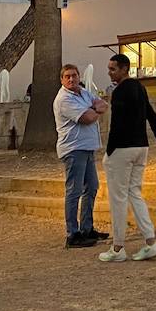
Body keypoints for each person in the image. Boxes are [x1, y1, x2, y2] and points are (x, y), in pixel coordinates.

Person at [99, 54, 156, 263]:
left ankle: (118, 248)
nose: (109, 72)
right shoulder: (140, 88)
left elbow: (117, 124)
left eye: (113, 69)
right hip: (141, 147)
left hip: (122, 149)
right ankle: (151, 242)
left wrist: (109, 151)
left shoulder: (120, 92)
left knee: (118, 199)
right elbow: (151, 114)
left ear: (124, 69)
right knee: (134, 193)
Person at [54, 64, 108, 249]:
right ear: (62, 80)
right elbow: (86, 118)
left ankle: (87, 228)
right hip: (73, 149)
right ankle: (73, 234)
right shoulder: (63, 99)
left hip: (87, 148)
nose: (71, 79)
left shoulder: (84, 93)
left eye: (74, 75)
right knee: (74, 191)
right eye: (67, 76)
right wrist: (94, 111)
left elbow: (103, 104)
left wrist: (94, 110)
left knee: (91, 187)